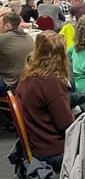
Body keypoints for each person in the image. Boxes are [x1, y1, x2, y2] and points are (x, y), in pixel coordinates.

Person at [16, 32, 74, 171]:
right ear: (60, 56)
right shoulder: (51, 82)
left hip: (36, 143)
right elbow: (66, 125)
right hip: (51, 150)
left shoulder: (28, 75)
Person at [0, 11, 34, 92]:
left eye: (0, 24)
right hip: (26, 83)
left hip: (9, 85)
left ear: (7, 26)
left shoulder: (3, 38)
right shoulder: (29, 37)